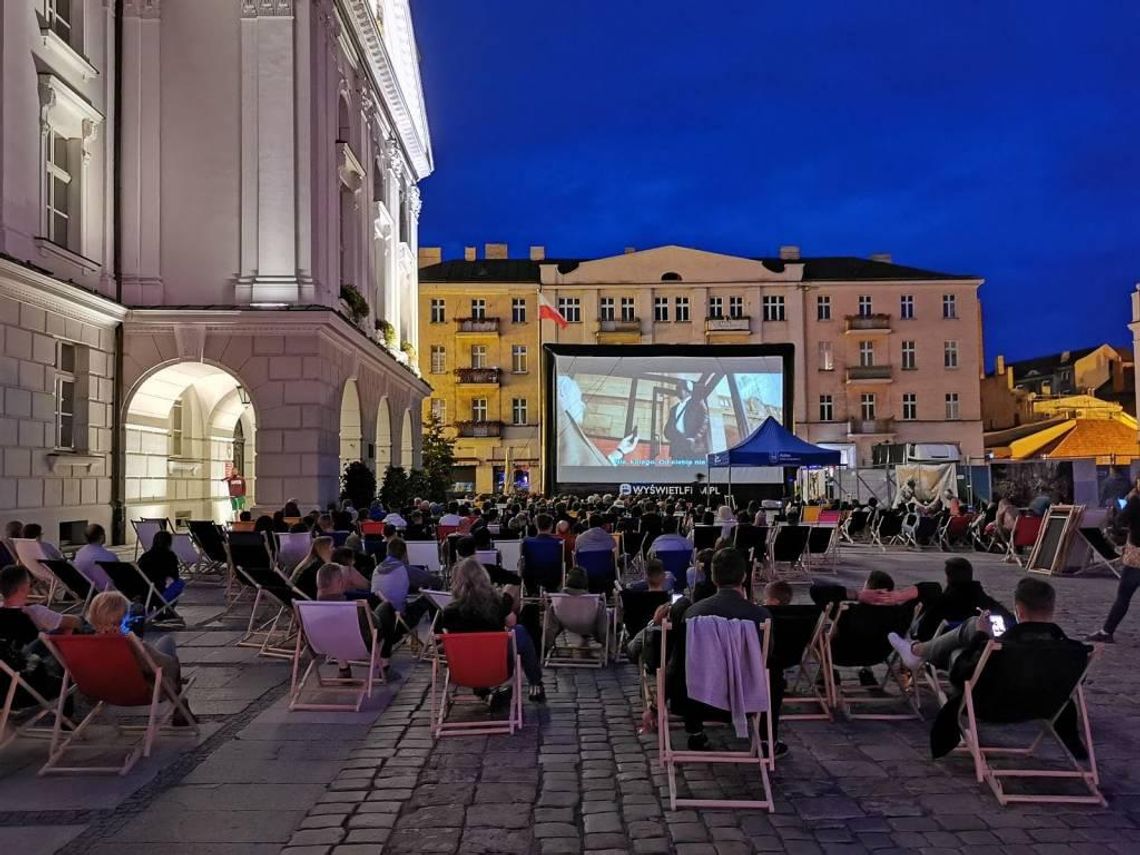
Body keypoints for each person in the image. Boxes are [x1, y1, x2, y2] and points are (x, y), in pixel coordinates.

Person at [666, 548, 785, 757]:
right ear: (744, 576)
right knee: (772, 669)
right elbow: (767, 655)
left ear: (713, 577)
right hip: (748, 698)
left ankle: (695, 731)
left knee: (687, 663)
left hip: (700, 697)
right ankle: (768, 739)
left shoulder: (693, 614)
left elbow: (676, 664)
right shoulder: (760, 615)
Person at [439, 557, 546, 702]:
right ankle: (536, 683)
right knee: (519, 631)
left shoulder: (448, 612)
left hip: (463, 671)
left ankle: (485, 694)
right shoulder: (496, 604)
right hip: (497, 669)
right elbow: (512, 621)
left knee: (471, 647)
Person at [86, 590, 194, 726]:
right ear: (124, 616)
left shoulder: (82, 643)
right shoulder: (130, 643)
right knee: (167, 643)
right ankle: (179, 703)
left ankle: (180, 704)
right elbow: (164, 665)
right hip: (140, 691)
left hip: (99, 691)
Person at [1088, 477, 1140, 643]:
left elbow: (1120, 521)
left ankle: (1106, 631)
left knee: (1123, 595)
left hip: (1136, 556)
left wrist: (1126, 501)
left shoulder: (1135, 501)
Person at [556, 375, 639, 466]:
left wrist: (621, 450)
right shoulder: (561, 422)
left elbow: (596, 468)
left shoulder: (572, 434)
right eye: (578, 398)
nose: (583, 405)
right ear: (561, 394)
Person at [0, 564, 82, 634]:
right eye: (29, 583)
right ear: (23, 588)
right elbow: (74, 622)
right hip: (37, 651)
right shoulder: (35, 612)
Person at [542, 567, 609, 652]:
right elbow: (602, 629)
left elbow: (551, 627)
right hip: (589, 625)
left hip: (567, 624)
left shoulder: (558, 600)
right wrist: (606, 643)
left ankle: (547, 649)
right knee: (607, 615)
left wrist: (547, 644)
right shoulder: (595, 602)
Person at [135, 530, 186, 625]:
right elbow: (175, 576)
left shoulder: (145, 556)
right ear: (169, 543)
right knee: (180, 583)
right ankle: (167, 610)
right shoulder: (170, 556)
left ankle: (161, 610)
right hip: (159, 595)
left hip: (144, 594)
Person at [72, 524, 116, 592]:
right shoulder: (109, 556)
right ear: (101, 537)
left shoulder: (79, 553)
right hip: (103, 592)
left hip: (82, 590)